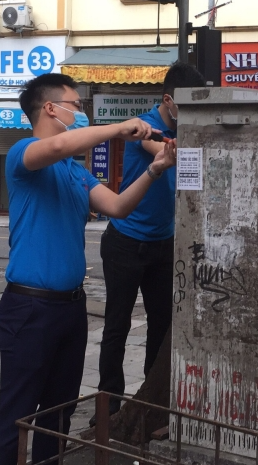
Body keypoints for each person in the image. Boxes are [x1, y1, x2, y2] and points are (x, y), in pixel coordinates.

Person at [0, 73, 176, 465]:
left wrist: (155, 169)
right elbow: (53, 145)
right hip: (29, 308)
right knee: (15, 411)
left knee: (58, 413)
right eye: (74, 104)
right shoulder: (23, 154)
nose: (80, 113)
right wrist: (121, 129)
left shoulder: (74, 173)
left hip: (70, 308)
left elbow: (119, 206)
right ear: (51, 108)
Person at [96, 63, 206, 419]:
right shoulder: (145, 127)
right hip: (125, 243)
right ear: (168, 101)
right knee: (117, 324)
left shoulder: (186, 129)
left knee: (161, 325)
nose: (189, 115)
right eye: (186, 107)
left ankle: (150, 400)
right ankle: (108, 402)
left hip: (164, 245)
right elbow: (155, 144)